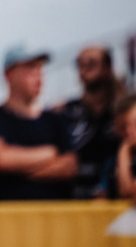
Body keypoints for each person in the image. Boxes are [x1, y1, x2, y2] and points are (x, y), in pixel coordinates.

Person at [0, 46, 77, 201]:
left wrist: (20, 171)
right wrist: (49, 153)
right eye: (30, 69)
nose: (38, 77)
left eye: (40, 70)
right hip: (13, 221)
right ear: (8, 75)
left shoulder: (55, 119)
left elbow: (70, 167)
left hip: (55, 220)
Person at [56, 44, 122, 198]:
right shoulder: (67, 112)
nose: (84, 69)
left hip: (120, 201)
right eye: (79, 64)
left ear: (108, 68)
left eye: (92, 63)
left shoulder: (123, 112)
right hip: (76, 199)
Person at [114, 94, 136, 201]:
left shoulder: (123, 152)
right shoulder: (111, 162)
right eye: (123, 126)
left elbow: (128, 192)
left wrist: (124, 149)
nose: (129, 131)